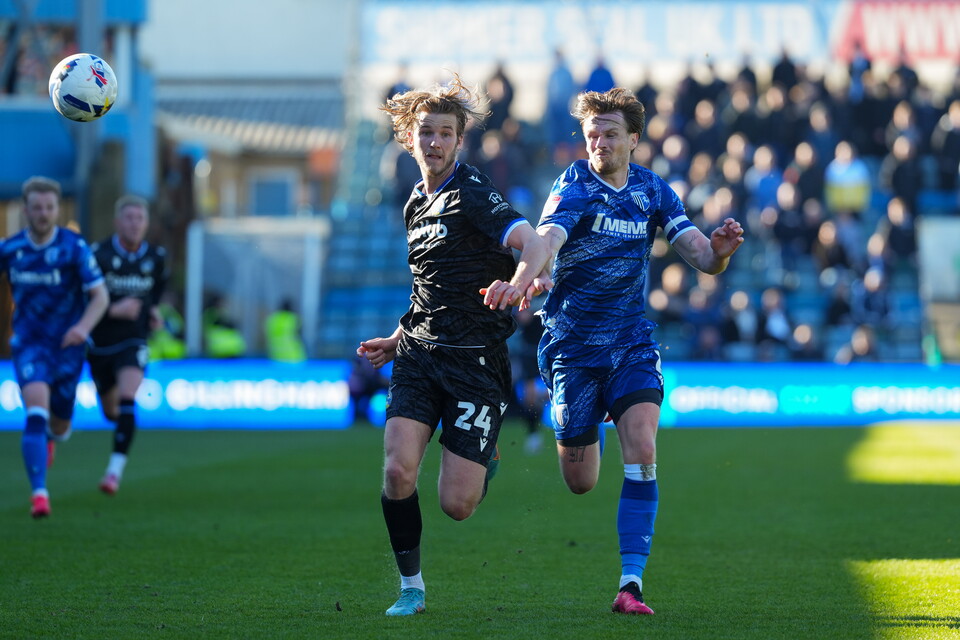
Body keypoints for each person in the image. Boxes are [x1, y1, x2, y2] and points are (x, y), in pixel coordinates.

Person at [534, 88, 744, 614]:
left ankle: (631, 585)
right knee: (581, 482)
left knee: (644, 448)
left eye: (609, 134)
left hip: (630, 342)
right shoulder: (573, 185)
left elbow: (698, 252)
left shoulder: (653, 190)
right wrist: (533, 272)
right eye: (591, 135)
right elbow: (549, 237)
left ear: (633, 138)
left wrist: (717, 255)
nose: (599, 143)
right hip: (574, 347)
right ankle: (584, 417)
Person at [357, 74, 549, 617]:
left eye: (446, 133)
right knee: (397, 471)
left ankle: (483, 461)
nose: (435, 142)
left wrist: (518, 280)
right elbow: (427, 288)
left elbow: (532, 241)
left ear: (459, 141)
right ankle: (411, 589)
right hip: (418, 355)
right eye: (426, 132)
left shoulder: (474, 192)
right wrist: (398, 338)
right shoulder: (414, 201)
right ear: (408, 137)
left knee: (456, 505)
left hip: (476, 365)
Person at [0, 176, 109, 518]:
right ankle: (40, 495)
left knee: (59, 424)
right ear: (26, 209)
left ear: (57, 209)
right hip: (30, 343)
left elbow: (100, 296)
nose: (43, 213)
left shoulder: (74, 248)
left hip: (68, 345)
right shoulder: (11, 249)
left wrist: (82, 327)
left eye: (49, 207)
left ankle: (52, 437)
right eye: (37, 207)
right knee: (35, 413)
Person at [87, 195, 168, 495]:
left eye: (140, 218)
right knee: (111, 413)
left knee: (128, 395)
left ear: (146, 223)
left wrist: (154, 312)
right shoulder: (99, 255)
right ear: (117, 222)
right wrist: (112, 309)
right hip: (100, 344)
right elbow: (82, 298)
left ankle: (113, 473)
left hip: (133, 340)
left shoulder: (156, 258)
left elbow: (156, 292)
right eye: (129, 218)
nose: (135, 224)